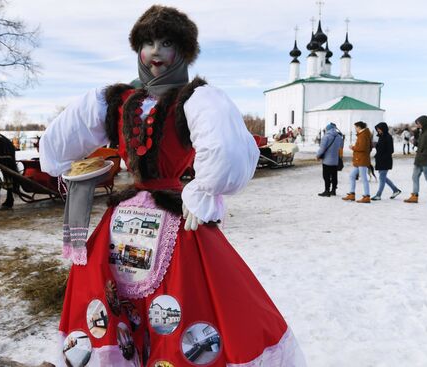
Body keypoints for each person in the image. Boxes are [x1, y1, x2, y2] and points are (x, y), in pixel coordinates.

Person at [40, 6, 305, 366]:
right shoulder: (117, 100)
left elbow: (224, 145)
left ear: (183, 51)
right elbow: (67, 134)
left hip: (177, 217)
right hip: (123, 220)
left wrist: (203, 189)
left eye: (166, 43)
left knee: (187, 298)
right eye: (147, 43)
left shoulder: (195, 99)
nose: (155, 53)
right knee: (111, 297)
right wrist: (59, 160)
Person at [342, 121, 372, 203]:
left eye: (355, 127)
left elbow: (362, 147)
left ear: (359, 127)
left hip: (362, 160)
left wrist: (353, 147)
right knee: (352, 175)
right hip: (359, 160)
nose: (355, 129)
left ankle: (367, 196)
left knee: (364, 178)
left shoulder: (363, 135)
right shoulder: (363, 134)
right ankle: (352, 194)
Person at [371, 122, 401, 200]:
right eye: (377, 129)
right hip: (380, 160)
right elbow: (380, 148)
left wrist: (381, 153)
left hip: (385, 160)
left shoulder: (388, 137)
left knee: (382, 178)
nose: (378, 131)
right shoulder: (381, 137)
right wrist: (376, 145)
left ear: (383, 128)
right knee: (383, 178)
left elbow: (391, 150)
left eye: (379, 129)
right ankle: (395, 190)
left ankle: (378, 195)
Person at [316, 122, 343, 196]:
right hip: (335, 160)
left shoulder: (326, 137)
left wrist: (318, 155)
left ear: (328, 129)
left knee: (326, 176)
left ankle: (327, 190)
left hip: (327, 160)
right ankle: (333, 190)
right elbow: (341, 147)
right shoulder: (339, 137)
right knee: (334, 175)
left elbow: (322, 149)